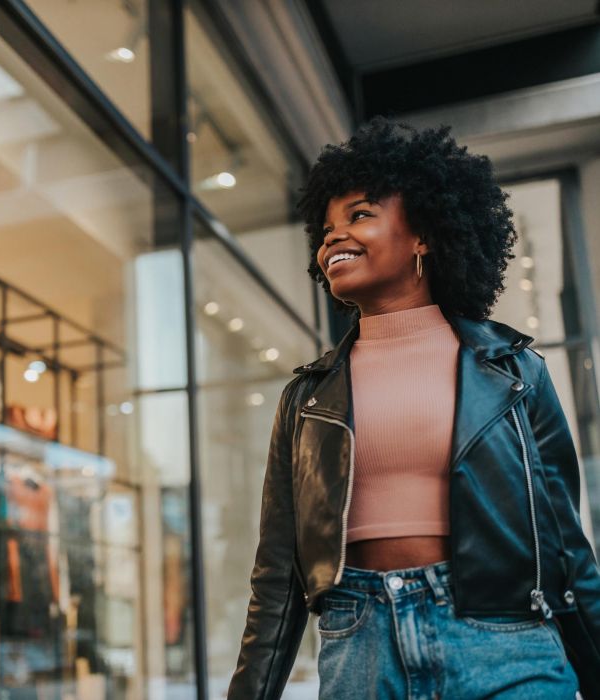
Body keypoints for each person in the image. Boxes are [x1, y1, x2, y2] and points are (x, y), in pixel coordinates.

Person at [227, 116, 600, 699]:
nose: (332, 237)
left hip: (503, 640)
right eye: (325, 228)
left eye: (359, 214)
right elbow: (278, 574)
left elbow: (565, 545)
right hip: (360, 644)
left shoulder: (514, 373)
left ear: (423, 233)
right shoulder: (306, 399)